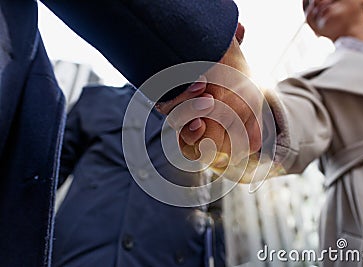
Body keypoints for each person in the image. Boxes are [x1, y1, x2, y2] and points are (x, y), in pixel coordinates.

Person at [0, 1, 239, 265]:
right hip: (79, 256)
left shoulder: (206, 121)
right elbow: (41, 171)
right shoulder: (96, 99)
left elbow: (219, 211)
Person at [166, 0, 363, 265]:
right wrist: (251, 122)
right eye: (307, 3)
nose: (316, 3)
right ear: (312, 28)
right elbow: (297, 118)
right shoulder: (311, 84)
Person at [52, 84, 225, 267]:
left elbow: (220, 215)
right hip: (80, 257)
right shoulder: (98, 99)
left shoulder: (212, 126)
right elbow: (43, 177)